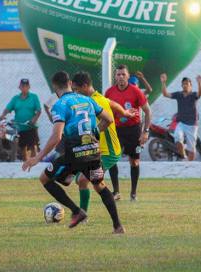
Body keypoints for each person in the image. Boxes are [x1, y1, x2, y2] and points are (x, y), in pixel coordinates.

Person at [22, 71, 124, 233]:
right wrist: (94, 133)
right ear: (70, 83)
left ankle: (77, 211)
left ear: (55, 87)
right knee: (100, 186)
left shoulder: (60, 105)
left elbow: (57, 136)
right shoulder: (87, 100)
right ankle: (118, 226)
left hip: (74, 154)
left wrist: (37, 157)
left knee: (45, 179)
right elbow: (109, 119)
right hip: (93, 151)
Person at [72, 71, 136, 212]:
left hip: (109, 152)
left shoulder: (95, 101)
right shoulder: (97, 98)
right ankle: (111, 201)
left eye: (76, 90)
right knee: (84, 180)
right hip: (97, 151)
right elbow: (111, 103)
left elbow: (108, 120)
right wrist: (124, 112)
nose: (75, 94)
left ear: (84, 86)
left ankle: (82, 215)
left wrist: (91, 133)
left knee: (83, 180)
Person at [105, 65, 152, 201]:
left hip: (133, 130)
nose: (120, 77)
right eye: (118, 74)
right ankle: (116, 192)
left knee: (135, 162)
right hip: (116, 130)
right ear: (115, 77)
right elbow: (104, 111)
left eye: (123, 75)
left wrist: (145, 132)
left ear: (128, 76)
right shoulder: (109, 93)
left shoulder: (136, 91)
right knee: (113, 159)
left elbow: (148, 111)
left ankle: (133, 193)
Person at [160, 73, 201, 161]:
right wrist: (163, 82)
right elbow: (165, 94)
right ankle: (183, 156)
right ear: (182, 85)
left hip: (192, 125)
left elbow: (200, 93)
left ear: (190, 85)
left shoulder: (193, 95)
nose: (185, 85)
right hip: (181, 123)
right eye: (183, 84)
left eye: (187, 83)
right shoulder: (179, 94)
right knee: (178, 140)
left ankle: (190, 165)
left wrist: (199, 83)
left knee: (191, 149)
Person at [0, 78, 41, 161]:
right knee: (23, 149)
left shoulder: (34, 97)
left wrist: (34, 120)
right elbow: (8, 108)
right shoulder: (15, 98)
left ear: (29, 87)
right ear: (19, 87)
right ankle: (25, 165)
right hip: (20, 128)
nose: (24, 87)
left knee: (33, 147)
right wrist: (3, 115)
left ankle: (35, 164)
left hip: (31, 127)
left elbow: (39, 111)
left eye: (26, 86)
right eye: (22, 86)